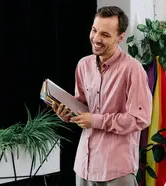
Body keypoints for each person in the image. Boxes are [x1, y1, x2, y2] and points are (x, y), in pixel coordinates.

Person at [52, 6, 153, 186]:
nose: (96, 39)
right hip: (84, 165)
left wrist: (96, 121)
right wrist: (66, 113)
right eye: (94, 30)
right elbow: (82, 106)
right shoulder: (84, 65)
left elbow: (140, 119)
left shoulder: (132, 69)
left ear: (120, 37)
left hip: (116, 169)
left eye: (105, 35)